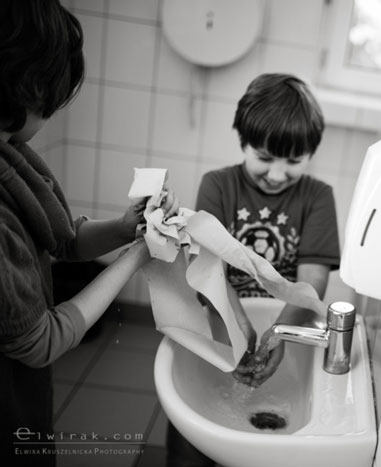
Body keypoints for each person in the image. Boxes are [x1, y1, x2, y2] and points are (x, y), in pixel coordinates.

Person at [0, 2, 179, 465]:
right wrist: (136, 256)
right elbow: (39, 341)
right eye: (51, 96)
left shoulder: (11, 155)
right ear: (29, 87)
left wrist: (124, 228)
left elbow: (61, 240)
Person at [166, 73, 340, 466]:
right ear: (243, 142)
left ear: (310, 154)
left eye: (293, 161)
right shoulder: (218, 185)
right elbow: (207, 266)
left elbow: (312, 280)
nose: (277, 174)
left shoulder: (318, 197)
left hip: (283, 322)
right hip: (218, 319)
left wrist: (279, 332)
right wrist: (239, 323)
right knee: (192, 439)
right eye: (264, 157)